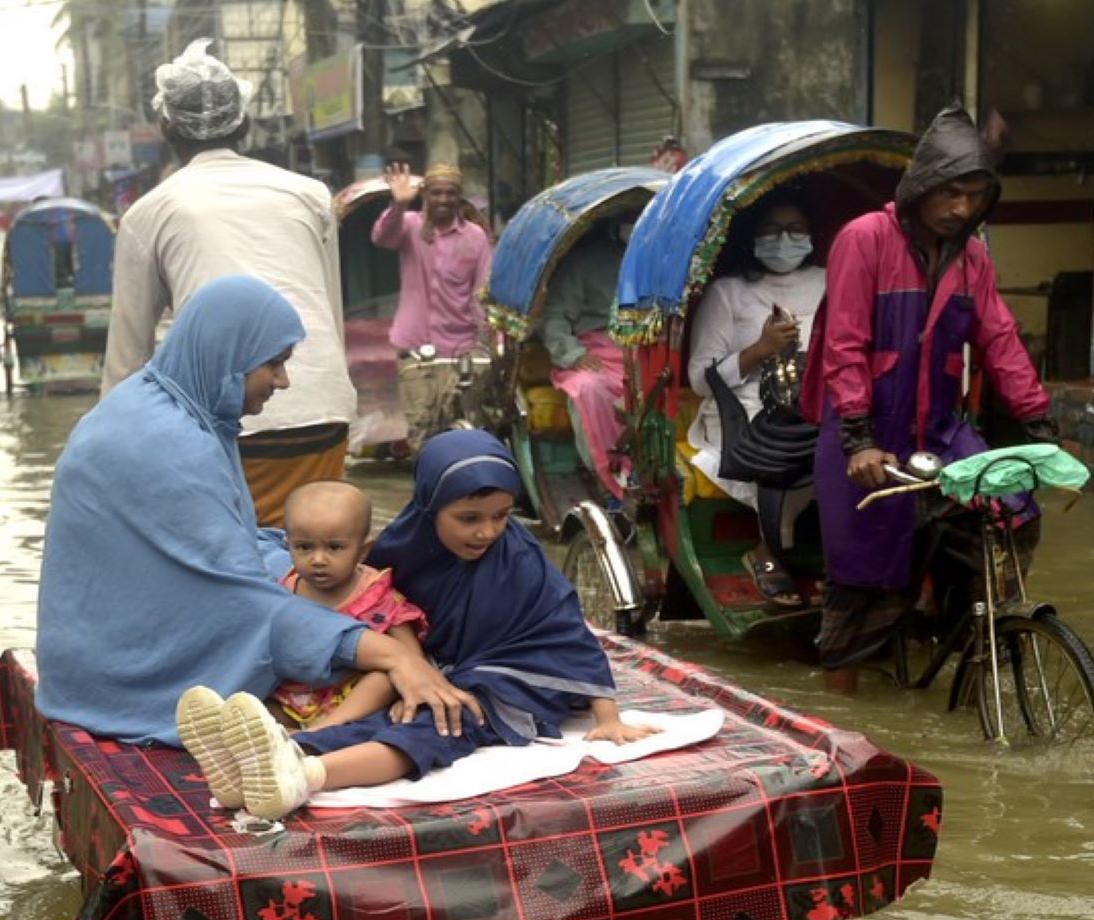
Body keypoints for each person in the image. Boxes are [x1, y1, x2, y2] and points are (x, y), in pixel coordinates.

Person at [37, 275, 474, 754]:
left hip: (92, 643)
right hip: (116, 675)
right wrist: (392, 655)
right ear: (230, 357)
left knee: (316, 577)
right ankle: (316, 737)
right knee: (351, 624)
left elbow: (233, 546)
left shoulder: (156, 405)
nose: (283, 381)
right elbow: (237, 601)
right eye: (273, 364)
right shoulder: (172, 444)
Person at [177, 429, 659, 821]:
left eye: (500, 516)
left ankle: (306, 774)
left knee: (436, 725)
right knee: (381, 712)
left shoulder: (520, 562)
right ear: (430, 506)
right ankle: (274, 754)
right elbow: (375, 614)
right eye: (468, 517)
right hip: (427, 669)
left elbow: (566, 633)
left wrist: (608, 717)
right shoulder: (403, 548)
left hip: (503, 678)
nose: (487, 532)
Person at [803, 104, 1055, 683]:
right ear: (920, 189)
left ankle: (980, 655)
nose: (960, 208)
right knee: (861, 584)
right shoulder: (864, 239)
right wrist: (859, 438)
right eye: (949, 194)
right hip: (865, 433)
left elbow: (1001, 338)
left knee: (1012, 514)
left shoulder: (973, 258)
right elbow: (845, 344)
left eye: (973, 196)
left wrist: (1039, 423)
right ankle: (843, 719)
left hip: (941, 430)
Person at [104, 39, 357, 530]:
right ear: (244, 124)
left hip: (225, 418)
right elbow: (329, 311)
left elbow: (126, 357)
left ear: (165, 127)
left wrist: (110, 452)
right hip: (323, 404)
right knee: (318, 559)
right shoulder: (309, 194)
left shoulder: (148, 213)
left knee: (237, 562)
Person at [687, 193, 828, 606]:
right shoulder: (728, 292)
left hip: (813, 399)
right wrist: (759, 350)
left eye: (795, 230)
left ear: (811, 236)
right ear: (752, 239)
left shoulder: (832, 281)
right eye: (772, 230)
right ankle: (768, 550)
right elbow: (700, 379)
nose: (784, 239)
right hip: (738, 409)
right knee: (780, 449)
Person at [270, 480, 429, 733]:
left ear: (363, 550)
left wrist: (405, 693)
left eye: (334, 547)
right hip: (293, 693)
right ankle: (281, 732)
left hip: (350, 697)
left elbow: (411, 658)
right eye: (304, 547)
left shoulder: (375, 594)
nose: (318, 559)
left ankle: (324, 730)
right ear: (288, 544)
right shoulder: (281, 591)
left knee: (385, 676)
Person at [373, 162, 493, 453]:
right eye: (436, 193)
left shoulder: (475, 237)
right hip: (416, 347)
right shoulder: (410, 226)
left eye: (449, 193)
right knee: (423, 431)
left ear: (458, 196)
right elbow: (381, 237)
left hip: (464, 347)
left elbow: (482, 292)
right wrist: (399, 204)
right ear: (425, 194)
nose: (442, 199)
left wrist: (488, 341)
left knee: (466, 428)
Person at [539, 213, 637, 497]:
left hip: (645, 350)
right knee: (588, 388)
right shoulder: (584, 262)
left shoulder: (665, 259)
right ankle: (608, 476)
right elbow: (555, 317)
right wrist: (572, 354)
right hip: (595, 348)